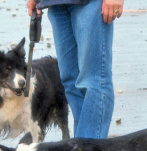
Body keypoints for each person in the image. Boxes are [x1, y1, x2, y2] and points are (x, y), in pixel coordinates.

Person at [27, 0, 124, 139]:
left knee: (95, 81)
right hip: (56, 4)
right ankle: (82, 148)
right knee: (71, 84)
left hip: (90, 4)